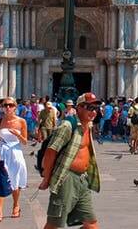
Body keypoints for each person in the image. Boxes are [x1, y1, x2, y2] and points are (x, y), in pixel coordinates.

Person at [38, 92, 101, 229]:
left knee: (91, 224)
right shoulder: (67, 126)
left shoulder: (88, 126)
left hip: (82, 179)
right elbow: (50, 152)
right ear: (78, 108)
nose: (93, 112)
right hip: (66, 178)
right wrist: (46, 178)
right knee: (55, 224)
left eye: (95, 108)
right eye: (89, 108)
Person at [0, 98, 29, 222]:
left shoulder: (22, 121)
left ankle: (16, 205)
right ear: (2, 107)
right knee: (0, 179)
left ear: (15, 107)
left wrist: (17, 135)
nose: (8, 107)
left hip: (15, 152)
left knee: (16, 178)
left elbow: (25, 142)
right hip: (1, 151)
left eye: (10, 105)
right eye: (5, 105)